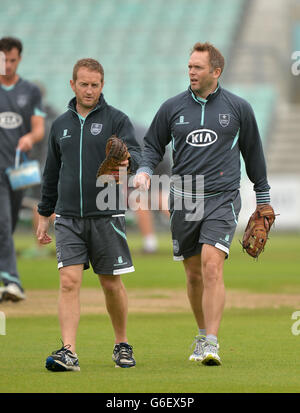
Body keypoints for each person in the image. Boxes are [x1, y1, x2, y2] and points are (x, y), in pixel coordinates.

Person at [134, 42, 271, 366]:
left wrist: (262, 198)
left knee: (212, 265)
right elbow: (152, 145)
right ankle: (200, 333)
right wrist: (143, 169)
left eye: (197, 67)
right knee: (194, 274)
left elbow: (253, 155)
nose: (191, 72)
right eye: (189, 67)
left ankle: (212, 342)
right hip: (183, 197)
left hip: (222, 198)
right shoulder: (172, 108)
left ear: (216, 71)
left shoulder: (239, 108)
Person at [36, 58, 141, 371]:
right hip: (68, 217)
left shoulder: (117, 120)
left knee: (110, 284)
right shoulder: (60, 126)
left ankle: (121, 344)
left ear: (102, 85)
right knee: (69, 282)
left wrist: (126, 162)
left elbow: (135, 156)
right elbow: (51, 172)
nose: (89, 90)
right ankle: (69, 351)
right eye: (84, 84)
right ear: (73, 85)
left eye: (95, 85)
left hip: (106, 215)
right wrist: (44, 214)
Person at [0, 37, 45, 302]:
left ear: (19, 59)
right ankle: (12, 280)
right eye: (3, 59)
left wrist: (30, 137)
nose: (6, 65)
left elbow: (38, 127)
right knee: (3, 224)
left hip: (19, 169)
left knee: (10, 223)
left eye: (11, 59)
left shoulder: (30, 91)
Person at [132, 122, 170, 253]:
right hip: (161, 156)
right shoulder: (132, 124)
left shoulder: (111, 126)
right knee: (159, 197)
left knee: (137, 199)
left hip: (143, 158)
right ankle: (192, 233)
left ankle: (150, 244)